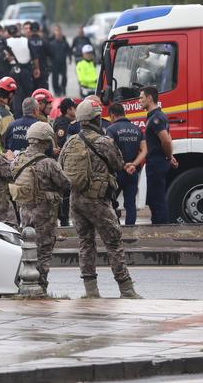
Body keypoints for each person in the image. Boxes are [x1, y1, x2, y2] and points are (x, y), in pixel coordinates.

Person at [59, 99, 141, 299]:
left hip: (76, 200)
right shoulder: (103, 142)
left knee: (85, 243)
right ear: (96, 119)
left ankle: (91, 291)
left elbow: (60, 164)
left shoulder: (70, 142)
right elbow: (118, 163)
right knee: (113, 242)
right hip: (97, 200)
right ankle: (126, 290)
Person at [11, 122, 71, 293]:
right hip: (44, 215)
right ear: (46, 141)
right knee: (44, 251)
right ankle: (40, 287)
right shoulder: (48, 163)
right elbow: (65, 183)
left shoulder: (18, 159)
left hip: (24, 212)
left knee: (28, 249)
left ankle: (24, 284)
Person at [139, 86, 177, 224]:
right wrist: (169, 156)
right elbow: (168, 138)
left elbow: (166, 140)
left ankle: (161, 228)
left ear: (150, 98)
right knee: (154, 198)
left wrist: (168, 157)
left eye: (141, 98)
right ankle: (158, 225)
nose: (139, 101)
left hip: (156, 163)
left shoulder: (156, 118)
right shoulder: (157, 116)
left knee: (157, 199)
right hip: (156, 162)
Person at [106, 103, 147, 226]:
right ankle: (130, 229)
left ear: (112, 115)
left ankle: (116, 227)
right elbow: (144, 150)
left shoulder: (111, 129)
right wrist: (133, 165)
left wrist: (123, 165)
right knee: (130, 203)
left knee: (110, 202)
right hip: (132, 172)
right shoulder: (137, 129)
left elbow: (109, 149)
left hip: (117, 173)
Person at [53, 97, 77, 227]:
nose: (76, 110)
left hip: (64, 162)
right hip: (62, 163)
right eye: (74, 108)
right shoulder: (63, 124)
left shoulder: (67, 122)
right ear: (68, 110)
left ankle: (64, 217)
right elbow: (62, 144)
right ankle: (63, 219)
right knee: (65, 192)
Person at [6, 23, 34, 118]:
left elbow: (5, 56)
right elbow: (33, 56)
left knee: (16, 94)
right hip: (26, 69)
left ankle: (17, 115)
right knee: (28, 94)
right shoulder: (26, 41)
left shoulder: (7, 42)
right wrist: (36, 68)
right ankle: (28, 113)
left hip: (13, 69)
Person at [48, 24, 71, 96]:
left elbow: (69, 51)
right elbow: (48, 53)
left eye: (59, 32)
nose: (58, 34)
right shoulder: (51, 43)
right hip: (54, 63)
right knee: (55, 78)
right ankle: (56, 91)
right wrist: (49, 62)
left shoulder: (64, 42)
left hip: (63, 62)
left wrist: (70, 58)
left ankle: (63, 88)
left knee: (64, 77)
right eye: (56, 32)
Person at [28, 22, 50, 90]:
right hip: (43, 69)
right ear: (39, 30)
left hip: (30, 70)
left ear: (30, 30)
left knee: (32, 91)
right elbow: (51, 55)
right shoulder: (45, 42)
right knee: (43, 92)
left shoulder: (27, 42)